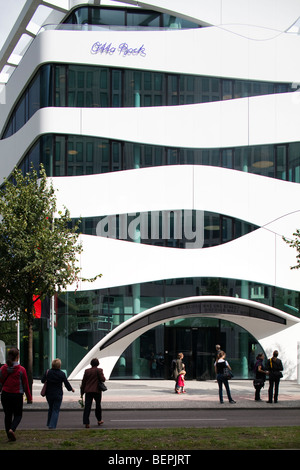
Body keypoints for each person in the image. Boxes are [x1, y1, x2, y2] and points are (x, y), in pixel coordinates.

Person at [0, 347, 32, 441]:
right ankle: (12, 429)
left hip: (5, 394)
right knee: (18, 415)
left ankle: (8, 435)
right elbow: (26, 385)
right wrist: (29, 398)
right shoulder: (21, 370)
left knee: (8, 415)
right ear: (18, 356)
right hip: (17, 395)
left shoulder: (3, 368)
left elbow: (0, 382)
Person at [41, 358, 74, 429]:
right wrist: (71, 389)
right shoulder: (62, 374)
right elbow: (66, 383)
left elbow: (42, 381)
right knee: (56, 409)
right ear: (59, 366)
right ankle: (52, 425)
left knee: (51, 408)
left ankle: (49, 422)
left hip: (49, 393)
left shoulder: (48, 372)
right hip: (58, 393)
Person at [80, 358, 106, 428]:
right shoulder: (99, 370)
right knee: (98, 405)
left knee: (87, 407)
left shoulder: (87, 371)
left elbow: (84, 382)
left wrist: (82, 392)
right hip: (97, 391)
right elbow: (103, 379)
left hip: (88, 391)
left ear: (91, 364)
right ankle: (99, 420)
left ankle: (86, 422)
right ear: (98, 364)